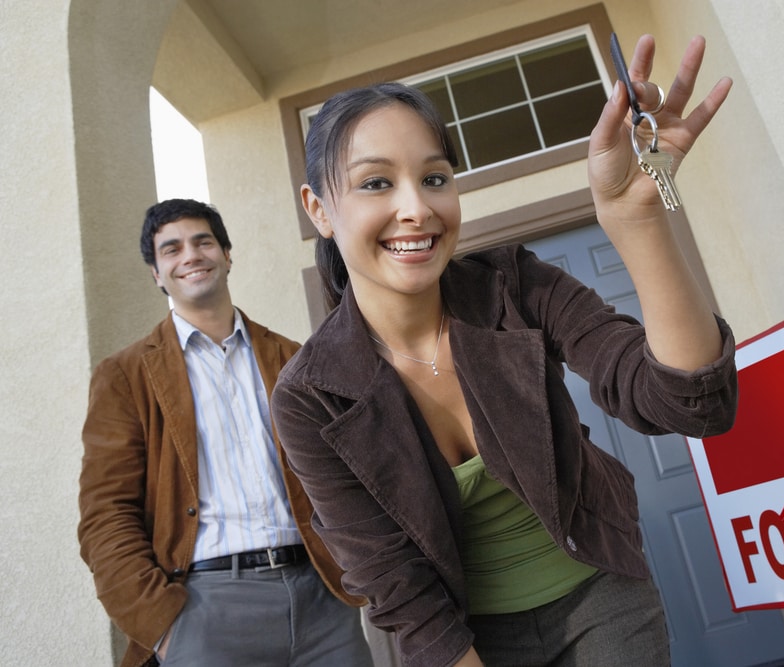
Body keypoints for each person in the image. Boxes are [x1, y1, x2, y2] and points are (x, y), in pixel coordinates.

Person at [271, 33, 737, 667]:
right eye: (376, 183)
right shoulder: (309, 396)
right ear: (319, 210)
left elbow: (687, 406)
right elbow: (397, 587)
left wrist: (637, 220)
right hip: (464, 636)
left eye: (434, 177)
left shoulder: (513, 284)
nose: (417, 208)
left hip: (603, 591)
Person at [78, 199, 375, 667]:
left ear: (227, 254)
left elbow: (346, 475)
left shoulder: (293, 359)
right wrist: (162, 626)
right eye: (171, 249)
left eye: (202, 242)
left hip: (322, 601)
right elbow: (105, 515)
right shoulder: (125, 376)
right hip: (205, 610)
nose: (190, 255)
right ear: (157, 273)